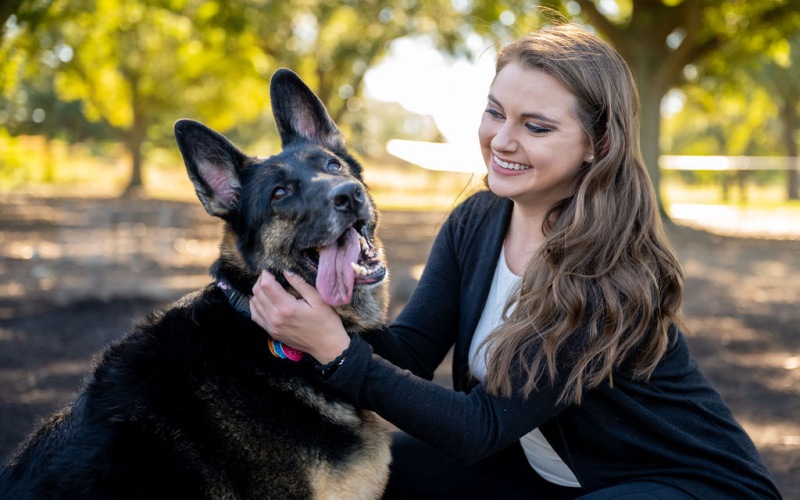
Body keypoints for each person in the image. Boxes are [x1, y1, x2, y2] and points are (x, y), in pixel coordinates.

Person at [250, 23, 781, 499]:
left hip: (686, 482)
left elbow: (479, 428)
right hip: (546, 475)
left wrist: (337, 351)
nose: (501, 140)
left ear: (597, 144)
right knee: (390, 475)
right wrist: (301, 323)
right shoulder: (477, 221)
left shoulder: (611, 271)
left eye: (537, 127)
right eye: (495, 112)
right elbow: (408, 352)